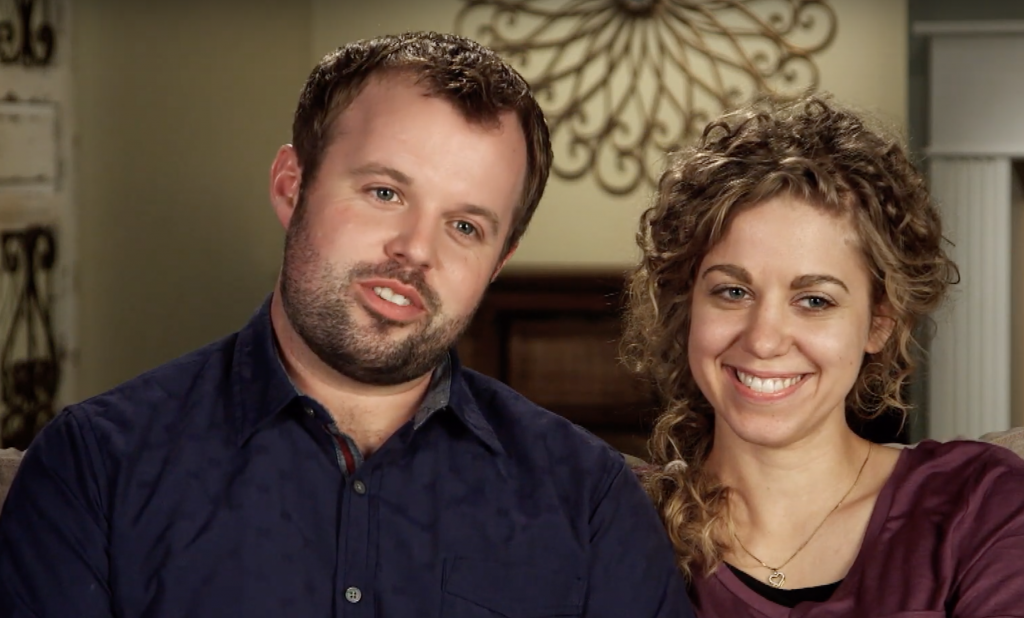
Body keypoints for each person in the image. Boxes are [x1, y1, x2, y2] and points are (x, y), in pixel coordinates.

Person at [0, 32, 694, 618]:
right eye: (385, 192)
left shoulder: (593, 504)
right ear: (290, 186)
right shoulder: (93, 470)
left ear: (499, 260)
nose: (416, 250)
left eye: (465, 225)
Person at [622, 94, 1024, 616]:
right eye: (732, 292)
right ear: (687, 304)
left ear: (880, 321)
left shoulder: (976, 504)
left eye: (814, 300)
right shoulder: (616, 517)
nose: (764, 340)